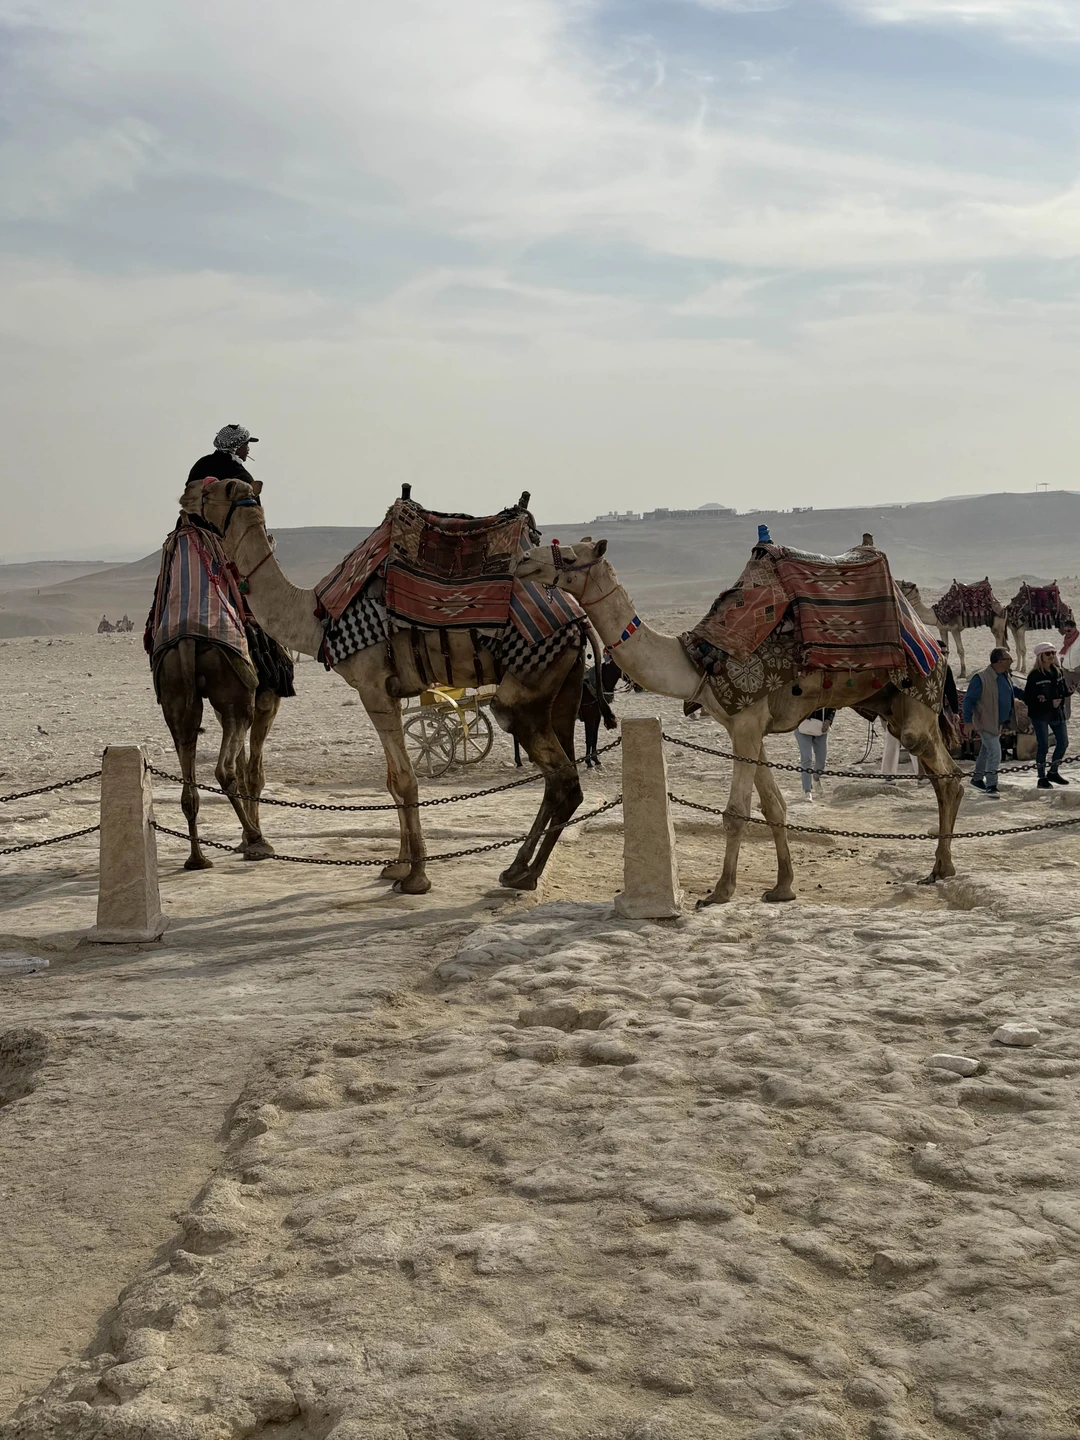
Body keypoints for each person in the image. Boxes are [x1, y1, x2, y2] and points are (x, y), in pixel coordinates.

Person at [962, 647, 1025, 798]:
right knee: (995, 752)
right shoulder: (981, 678)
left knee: (986, 750)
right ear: (999, 661)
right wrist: (968, 722)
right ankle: (991, 785)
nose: (1011, 662)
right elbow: (968, 701)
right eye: (1009, 659)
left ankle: (977, 779)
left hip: (998, 722)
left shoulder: (1004, 675)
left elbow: (1012, 690)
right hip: (985, 721)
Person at [1024, 641, 1070, 789]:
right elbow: (1028, 698)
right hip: (1040, 715)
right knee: (1043, 745)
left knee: (1063, 743)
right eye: (1047, 653)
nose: (1051, 656)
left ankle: (1054, 771)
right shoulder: (1034, 676)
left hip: (1057, 714)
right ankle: (1041, 777)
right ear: (1040, 656)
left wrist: (1069, 691)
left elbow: (1062, 691)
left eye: (1053, 653)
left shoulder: (1058, 672)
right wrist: (1047, 702)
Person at [187, 424, 259, 485]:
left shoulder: (201, 464)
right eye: (246, 445)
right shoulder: (242, 477)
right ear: (238, 447)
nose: (248, 450)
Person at [795, 707, 834, 803]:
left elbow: (833, 706)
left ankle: (816, 778)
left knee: (821, 760)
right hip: (802, 727)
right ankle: (807, 790)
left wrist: (828, 720)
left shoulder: (827, 692)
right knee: (806, 758)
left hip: (821, 728)